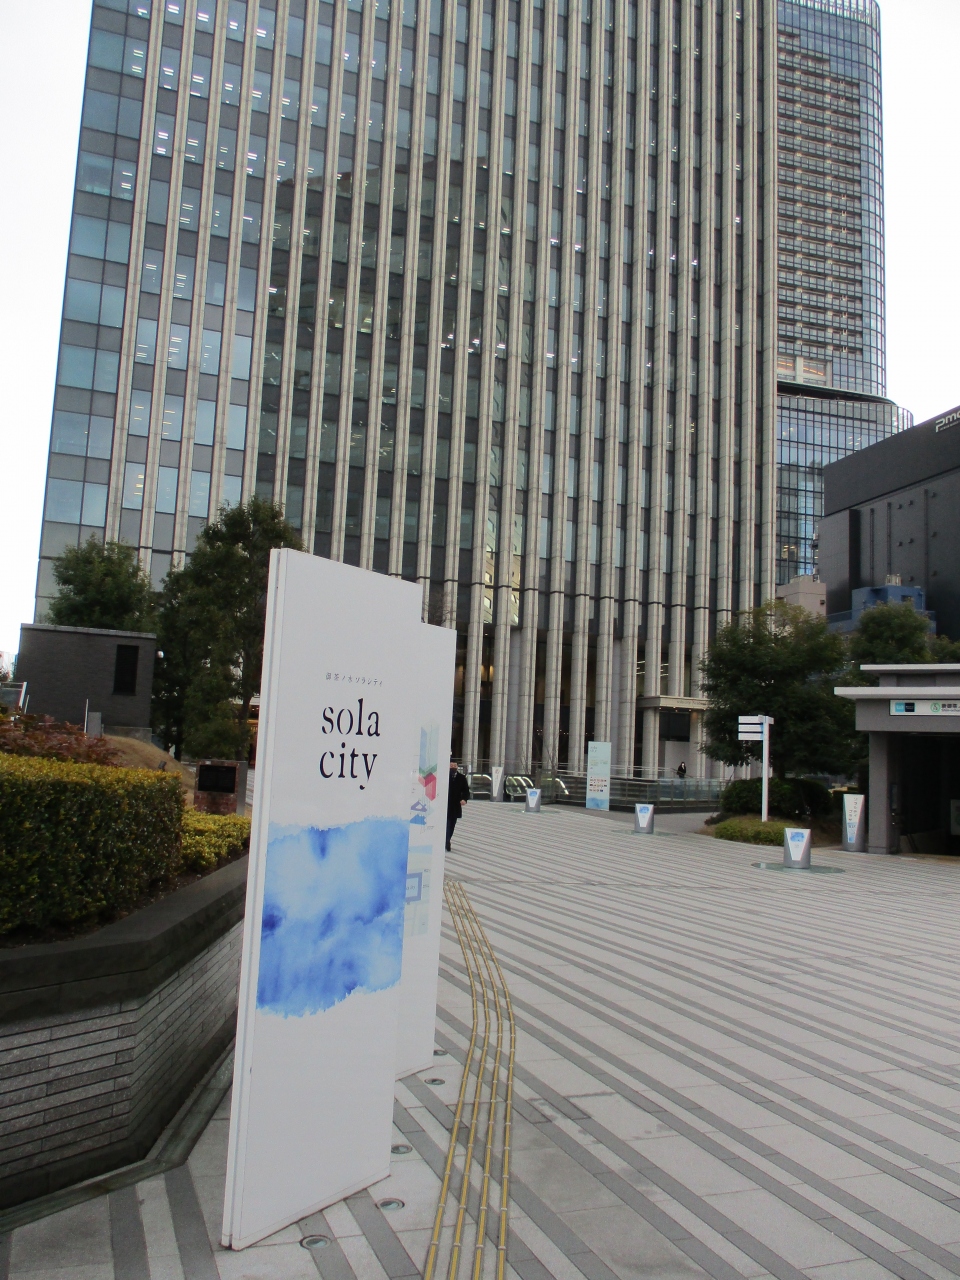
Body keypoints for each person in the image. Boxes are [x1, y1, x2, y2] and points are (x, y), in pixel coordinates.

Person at [446, 758, 471, 851]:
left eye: (454, 766)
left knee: (452, 824)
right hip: (445, 805)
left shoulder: (461, 778)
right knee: (446, 824)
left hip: (455, 805)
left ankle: (447, 839)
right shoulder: (444, 776)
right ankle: (446, 841)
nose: (453, 767)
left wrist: (464, 799)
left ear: (457, 767)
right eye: (451, 765)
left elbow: (466, 790)